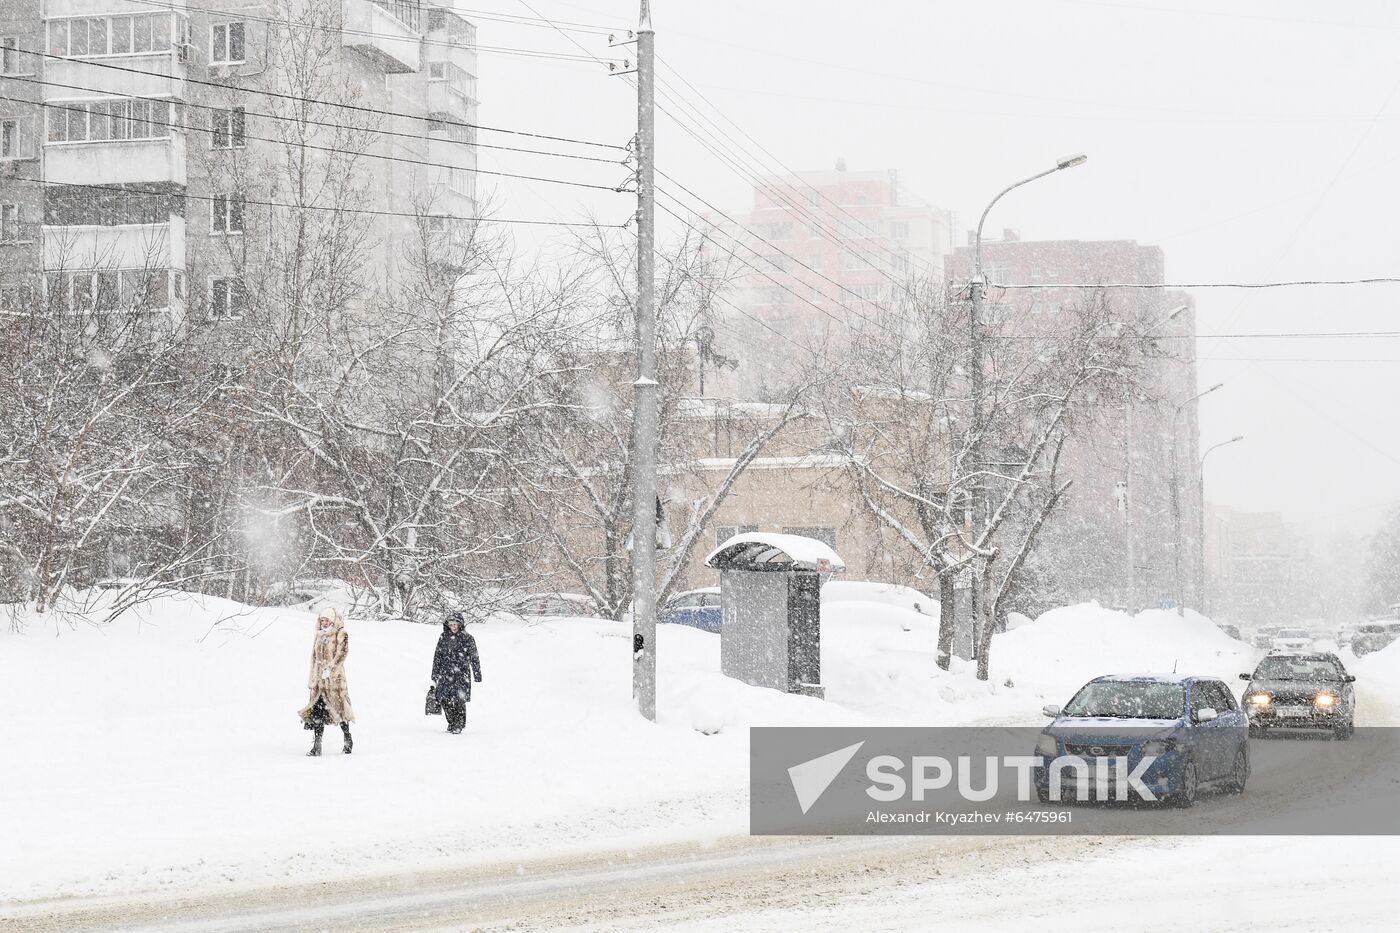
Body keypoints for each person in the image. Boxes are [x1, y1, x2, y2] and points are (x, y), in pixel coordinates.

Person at [298, 607, 355, 756]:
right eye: (322, 620)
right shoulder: (319, 635)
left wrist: (331, 669)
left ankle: (347, 738)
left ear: (332, 620)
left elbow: (342, 654)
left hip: (334, 681)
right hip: (319, 682)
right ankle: (317, 746)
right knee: (317, 713)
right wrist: (313, 678)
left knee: (340, 710)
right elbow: (314, 658)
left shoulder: (341, 633)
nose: (324, 623)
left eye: (327, 620)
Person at [431, 611, 482, 734]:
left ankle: (459, 724)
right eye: (451, 624)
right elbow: (437, 656)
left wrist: (477, 674)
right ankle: (451, 722)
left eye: (455, 624)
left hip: (461, 674)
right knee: (444, 699)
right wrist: (435, 673)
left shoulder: (468, 638)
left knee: (459, 700)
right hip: (445, 673)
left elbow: (474, 657)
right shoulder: (443, 637)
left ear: (460, 625)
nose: (453, 626)